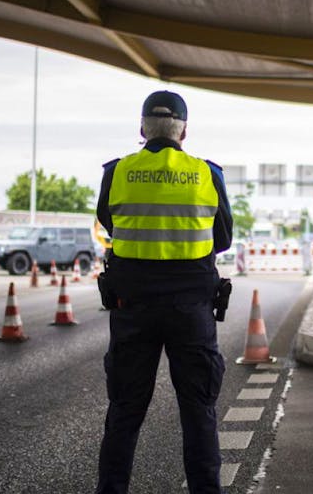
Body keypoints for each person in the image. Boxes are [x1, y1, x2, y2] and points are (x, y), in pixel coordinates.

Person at [95, 90, 233, 494]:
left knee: (124, 411)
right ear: (183, 131)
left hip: (132, 308)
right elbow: (221, 238)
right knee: (198, 411)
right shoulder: (208, 173)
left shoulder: (117, 171)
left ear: (142, 128)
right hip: (191, 310)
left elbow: (112, 224)